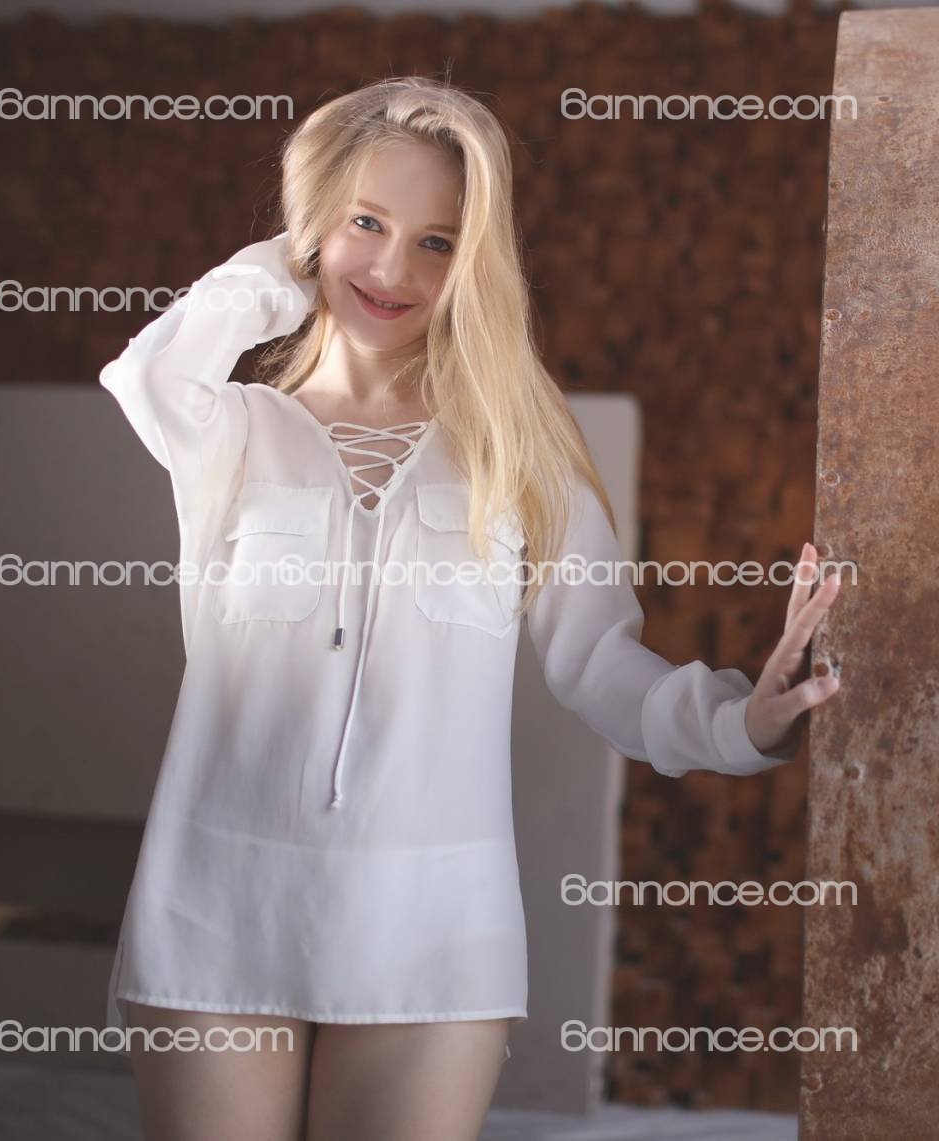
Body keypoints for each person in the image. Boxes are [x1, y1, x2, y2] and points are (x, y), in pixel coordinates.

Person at [98, 75, 841, 1141]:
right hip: (214, 899)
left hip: (435, 924)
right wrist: (284, 270)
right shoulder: (231, 430)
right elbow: (147, 375)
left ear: (475, 261)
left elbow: (601, 665)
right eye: (365, 222)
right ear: (313, 226)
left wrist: (742, 721)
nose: (391, 270)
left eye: (438, 242)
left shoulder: (519, 452)